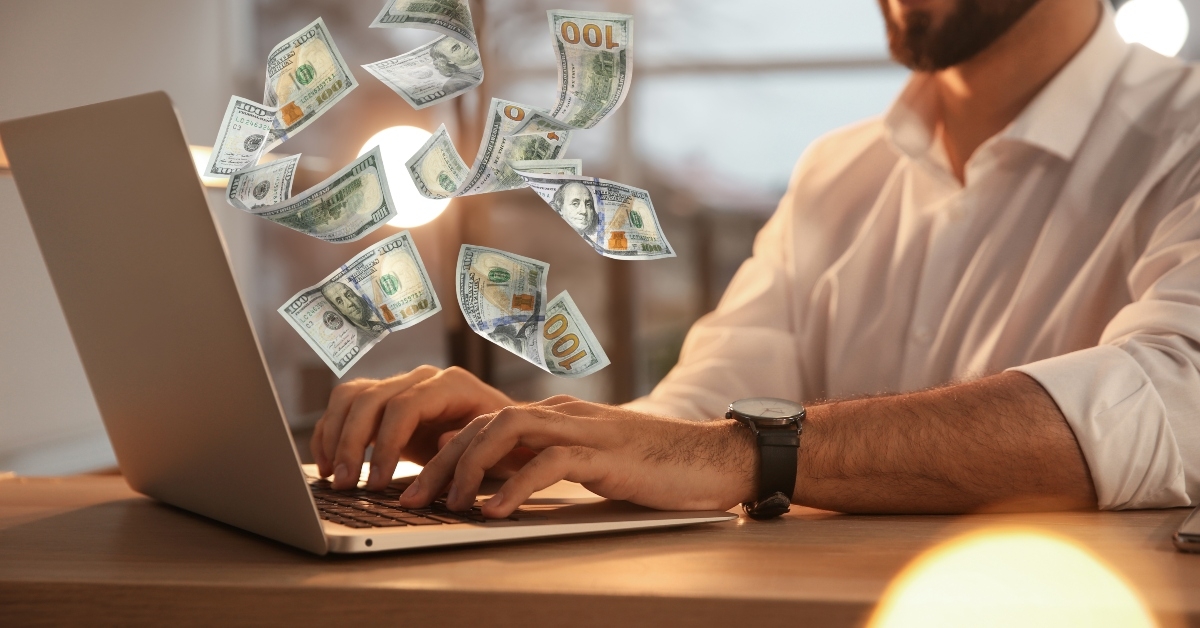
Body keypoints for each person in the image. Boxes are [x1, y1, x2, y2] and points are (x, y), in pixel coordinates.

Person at [311, 0, 1200, 520]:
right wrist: (529, 444)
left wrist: (747, 453)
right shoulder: (838, 171)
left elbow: (1177, 397)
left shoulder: (1184, 132)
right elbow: (701, 420)